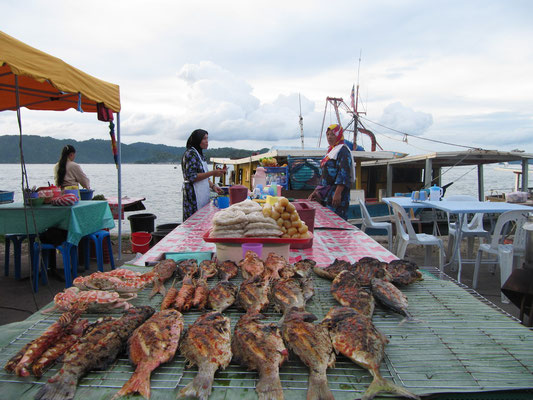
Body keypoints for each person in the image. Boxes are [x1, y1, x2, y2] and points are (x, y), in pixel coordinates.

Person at [308, 124, 354, 220]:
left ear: (339, 135)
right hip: (326, 195)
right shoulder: (331, 151)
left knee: (337, 222)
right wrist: (316, 191)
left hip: (336, 196)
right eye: (328, 134)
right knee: (327, 220)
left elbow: (344, 173)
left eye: (332, 134)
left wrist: (337, 193)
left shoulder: (343, 150)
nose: (329, 137)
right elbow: (324, 176)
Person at [181, 129, 226, 221]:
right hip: (193, 195)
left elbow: (204, 176)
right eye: (204, 139)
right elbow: (192, 177)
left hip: (202, 193)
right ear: (197, 140)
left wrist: (213, 186)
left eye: (207, 138)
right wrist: (213, 172)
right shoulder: (190, 154)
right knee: (193, 222)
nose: (207, 141)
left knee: (202, 219)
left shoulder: (200, 155)